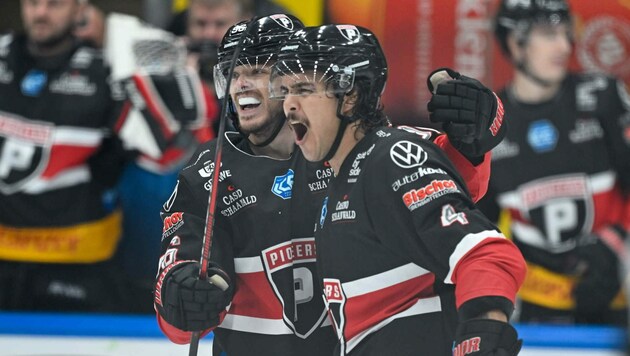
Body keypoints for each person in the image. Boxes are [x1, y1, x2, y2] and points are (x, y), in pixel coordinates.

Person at [153, 14, 511, 355]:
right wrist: (180, 296)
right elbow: (178, 322)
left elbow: (461, 203)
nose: (241, 85)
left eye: (260, 72)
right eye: (233, 74)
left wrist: (476, 131)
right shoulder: (205, 177)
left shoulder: (368, 151)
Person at [269, 24, 527, 355]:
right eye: (285, 90)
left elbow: (486, 252)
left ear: (351, 97)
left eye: (304, 89)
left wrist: (484, 328)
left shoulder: (386, 159)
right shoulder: (345, 169)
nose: (288, 105)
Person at [0, 0, 214, 312]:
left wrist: (118, 42)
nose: (41, 12)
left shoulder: (106, 70)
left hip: (77, 259)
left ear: (79, 9)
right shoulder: (4, 52)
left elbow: (168, 152)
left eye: (54, 4)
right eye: (33, 3)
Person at [477, 0, 630, 325]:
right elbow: (478, 230)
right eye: (548, 35)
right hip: (536, 306)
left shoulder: (603, 95)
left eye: (565, 34)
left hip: (619, 292)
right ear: (515, 44)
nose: (564, 46)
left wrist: (616, 245)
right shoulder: (490, 123)